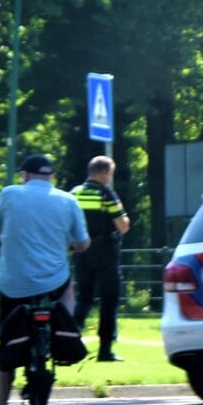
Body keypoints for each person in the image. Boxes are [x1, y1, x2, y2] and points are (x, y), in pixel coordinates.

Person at [0, 154, 90, 405]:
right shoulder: (68, 200)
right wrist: (69, 246)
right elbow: (83, 243)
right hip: (53, 284)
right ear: (50, 177)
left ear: (25, 175)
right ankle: (67, 329)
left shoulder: (10, 194)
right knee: (67, 285)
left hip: (14, 285)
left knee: (5, 342)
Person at [71, 155, 132, 362]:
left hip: (81, 250)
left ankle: (69, 340)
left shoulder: (74, 193)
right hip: (105, 252)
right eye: (110, 174)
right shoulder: (106, 194)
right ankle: (105, 351)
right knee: (109, 300)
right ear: (104, 172)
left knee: (83, 298)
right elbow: (123, 226)